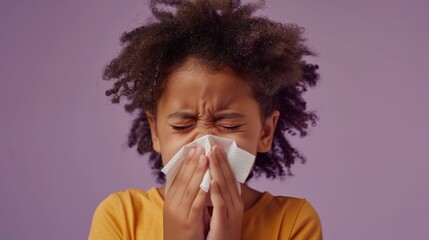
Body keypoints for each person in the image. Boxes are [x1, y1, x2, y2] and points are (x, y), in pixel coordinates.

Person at [88, 0, 322, 239]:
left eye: (229, 125)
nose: (206, 143)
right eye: (182, 126)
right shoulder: (122, 217)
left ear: (265, 132)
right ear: (156, 133)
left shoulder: (293, 222)